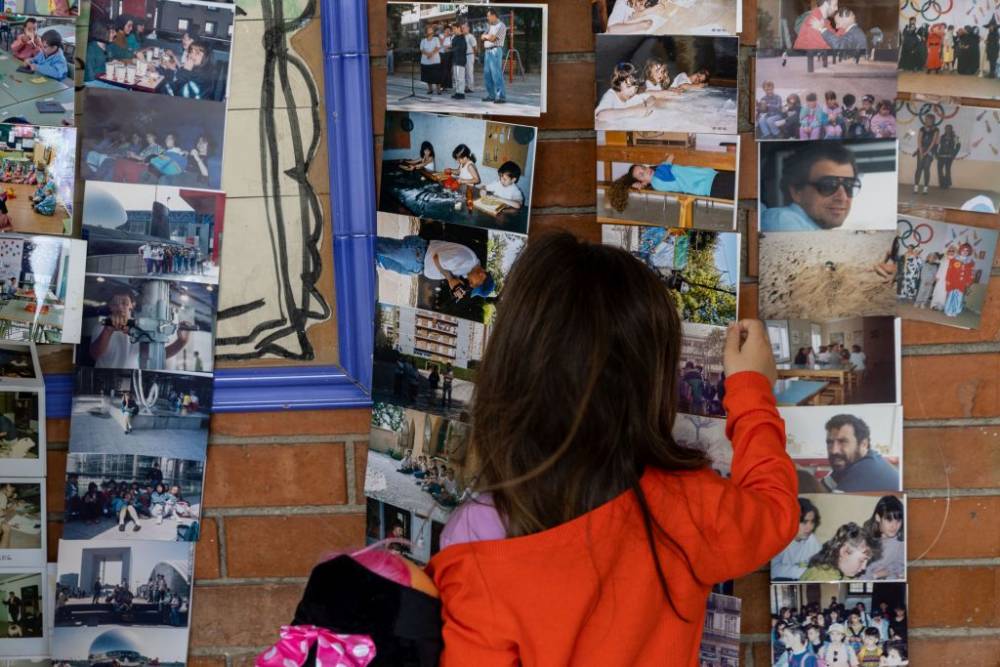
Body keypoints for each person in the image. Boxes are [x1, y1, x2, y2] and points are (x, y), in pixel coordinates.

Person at [425, 232, 798, 664]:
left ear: (509, 367)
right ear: (650, 382)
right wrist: (751, 390)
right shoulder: (689, 506)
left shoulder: (474, 543)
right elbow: (775, 510)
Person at [761, 141, 860, 231]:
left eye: (849, 186)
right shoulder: (782, 220)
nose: (843, 197)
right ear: (796, 192)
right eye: (828, 185)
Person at [375, 235, 496, 302]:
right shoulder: (467, 260)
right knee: (375, 245)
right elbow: (437, 258)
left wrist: (458, 288)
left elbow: (455, 278)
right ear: (482, 275)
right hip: (416, 255)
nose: (472, 286)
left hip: (418, 268)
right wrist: (450, 280)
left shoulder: (468, 271)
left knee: (378, 260)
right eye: (476, 285)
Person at [89, 289, 191, 368]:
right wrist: (108, 330)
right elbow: (95, 355)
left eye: (124, 303)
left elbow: (155, 356)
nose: (120, 307)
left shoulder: (141, 326)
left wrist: (181, 342)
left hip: (132, 379)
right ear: (110, 306)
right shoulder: (100, 326)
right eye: (115, 303)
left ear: (132, 305)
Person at [606, 155, 736, 212]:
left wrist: (637, 184)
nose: (647, 170)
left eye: (643, 168)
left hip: (712, 181)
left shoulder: (657, 177)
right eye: (642, 174)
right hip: (712, 184)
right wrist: (669, 157)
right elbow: (668, 162)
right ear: (643, 181)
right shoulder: (657, 180)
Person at [822, 414, 899, 492]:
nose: (834, 450)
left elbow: (830, 503)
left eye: (843, 442)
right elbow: (821, 488)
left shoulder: (866, 470)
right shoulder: (849, 464)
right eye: (830, 442)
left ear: (863, 444)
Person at [801, 522, 876, 580]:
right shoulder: (821, 577)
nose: (864, 567)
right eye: (861, 561)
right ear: (844, 551)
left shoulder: (841, 572)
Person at [771, 498, 823, 580]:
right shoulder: (778, 540)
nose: (809, 527)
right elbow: (773, 570)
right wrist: (807, 572)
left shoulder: (811, 539)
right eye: (804, 522)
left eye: (812, 522)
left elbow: (821, 563)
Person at [481, 9, 507, 104]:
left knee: (496, 74)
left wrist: (486, 36)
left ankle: (501, 96)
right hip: (487, 52)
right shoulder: (490, 26)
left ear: (494, 15)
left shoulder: (501, 26)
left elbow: (493, 39)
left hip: (495, 50)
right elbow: (481, 37)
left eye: (488, 16)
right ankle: (491, 95)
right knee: (487, 75)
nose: (487, 18)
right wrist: (488, 36)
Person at [944, 242, 977, 317]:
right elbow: (949, 271)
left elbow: (971, 274)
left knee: (959, 297)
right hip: (953, 281)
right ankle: (948, 310)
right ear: (960, 250)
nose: (965, 252)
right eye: (963, 250)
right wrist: (948, 280)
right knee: (951, 296)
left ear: (969, 252)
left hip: (962, 283)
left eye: (967, 251)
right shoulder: (954, 260)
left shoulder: (971, 262)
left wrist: (969, 282)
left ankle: (955, 311)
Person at [913, 113, 940, 195]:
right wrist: (921, 151)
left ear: (933, 120)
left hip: (930, 150)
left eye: (930, 120)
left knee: (926, 168)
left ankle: (925, 188)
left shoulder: (936, 130)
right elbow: (919, 140)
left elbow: (933, 142)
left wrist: (927, 152)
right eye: (927, 119)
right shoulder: (922, 128)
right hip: (921, 149)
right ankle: (916, 187)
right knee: (919, 168)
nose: (928, 121)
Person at [419, 24, 442, 95]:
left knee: (437, 76)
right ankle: (430, 89)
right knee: (428, 76)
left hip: (435, 61)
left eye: (431, 29)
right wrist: (427, 54)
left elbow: (437, 47)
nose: (430, 31)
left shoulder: (436, 39)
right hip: (425, 61)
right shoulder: (423, 40)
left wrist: (431, 54)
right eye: (428, 29)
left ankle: (438, 89)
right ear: (426, 32)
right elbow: (422, 49)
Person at [936, 124, 961, 189]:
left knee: (947, 170)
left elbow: (958, 146)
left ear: (951, 129)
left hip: (949, 156)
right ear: (945, 129)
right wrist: (936, 154)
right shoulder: (941, 137)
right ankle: (941, 183)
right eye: (946, 128)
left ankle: (947, 184)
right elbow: (937, 145)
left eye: (949, 129)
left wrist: (954, 154)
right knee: (939, 170)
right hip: (941, 155)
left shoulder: (955, 137)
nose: (948, 130)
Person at [461, 22, 476, 93]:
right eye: (462, 28)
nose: (463, 29)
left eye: (464, 28)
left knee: (469, 72)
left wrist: (473, 56)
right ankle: (466, 86)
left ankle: (471, 87)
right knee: (464, 72)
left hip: (469, 55)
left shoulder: (471, 36)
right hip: (463, 56)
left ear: (468, 28)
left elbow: (475, 47)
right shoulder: (462, 36)